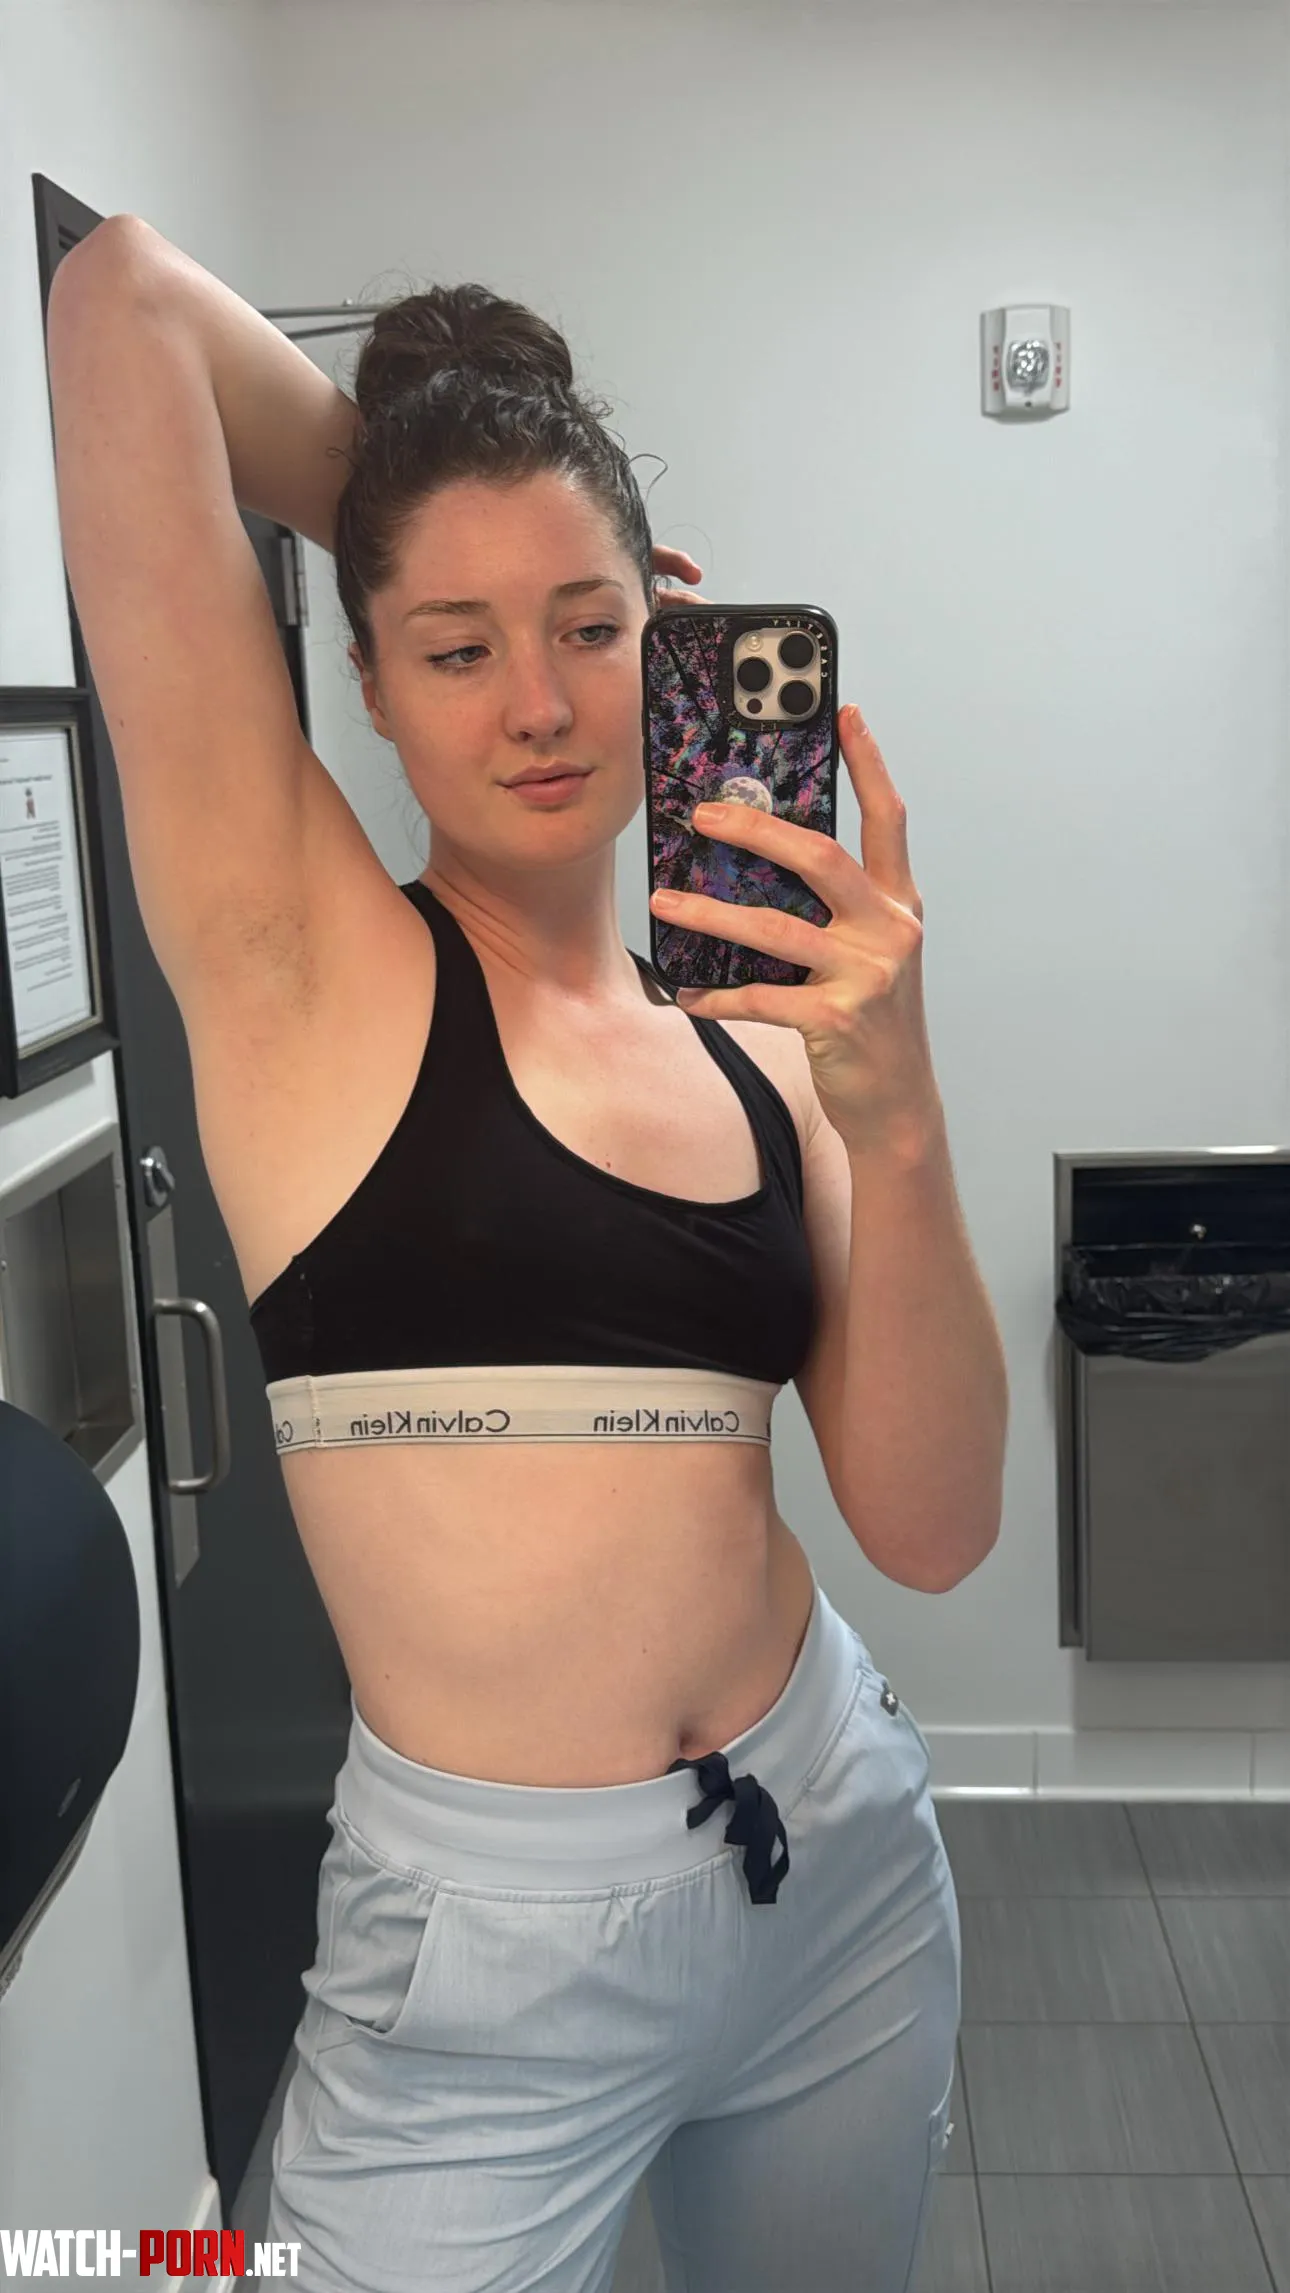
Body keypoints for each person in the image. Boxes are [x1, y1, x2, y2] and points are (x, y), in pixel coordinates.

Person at [46, 214, 1008, 2293]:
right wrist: (440, 486)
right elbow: (118, 299)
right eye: (457, 647)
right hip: (480, 1973)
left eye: (590, 627)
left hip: (832, 1857)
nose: (542, 703)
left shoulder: (761, 1049)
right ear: (369, 683)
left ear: (664, 640)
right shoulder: (306, 969)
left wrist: (902, 1112)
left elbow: (933, 1532)